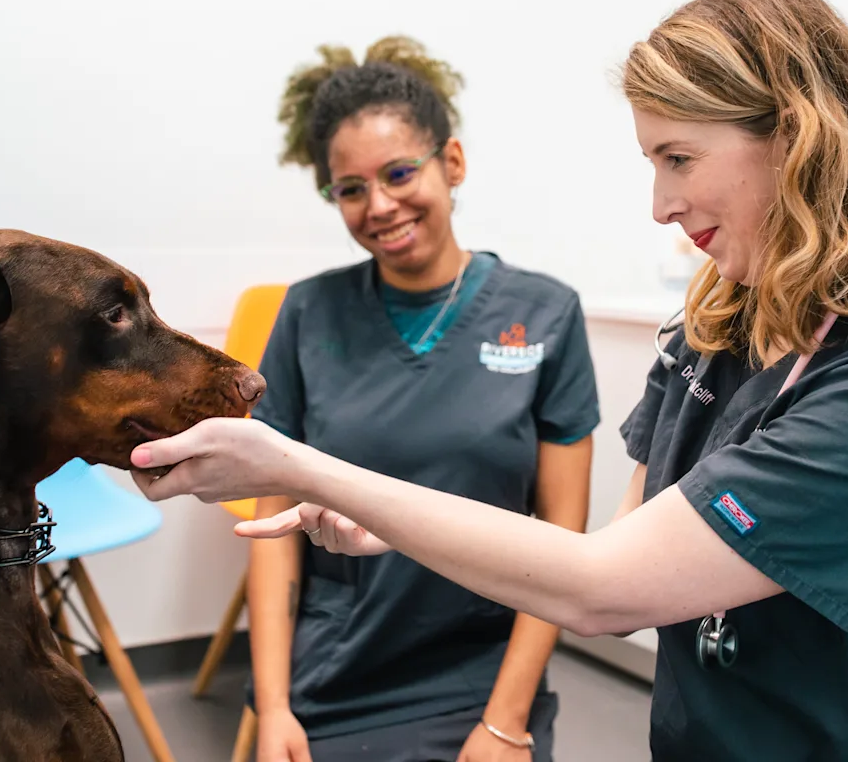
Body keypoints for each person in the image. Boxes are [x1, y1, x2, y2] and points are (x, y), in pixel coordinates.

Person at [135, 0, 848, 760]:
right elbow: (617, 558)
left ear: (796, 137)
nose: (660, 204)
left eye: (679, 158)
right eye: (652, 162)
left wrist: (294, 465)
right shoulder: (731, 316)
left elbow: (604, 592)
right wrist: (390, 520)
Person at [241, 37, 600, 762]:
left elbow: (563, 543)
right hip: (335, 672)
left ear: (452, 163)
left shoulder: (547, 313)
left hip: (482, 671)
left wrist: (504, 724)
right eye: (350, 189)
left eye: (400, 172)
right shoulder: (308, 315)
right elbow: (273, 537)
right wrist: (274, 708)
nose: (379, 206)